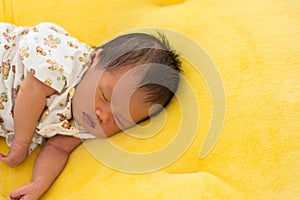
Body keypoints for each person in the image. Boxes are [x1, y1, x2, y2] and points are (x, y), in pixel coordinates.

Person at [0, 22, 181, 200]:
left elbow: (57, 149)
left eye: (120, 119)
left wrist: (37, 185)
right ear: (95, 59)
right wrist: (21, 144)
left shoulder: (86, 126)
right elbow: (31, 90)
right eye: (104, 96)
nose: (102, 115)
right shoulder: (65, 64)